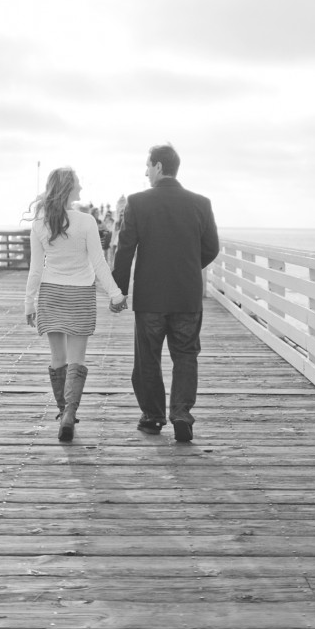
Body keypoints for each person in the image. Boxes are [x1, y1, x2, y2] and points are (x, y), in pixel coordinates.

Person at [112, 143, 219, 442]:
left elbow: (125, 250)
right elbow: (212, 247)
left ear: (159, 167)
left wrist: (118, 291)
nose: (145, 172)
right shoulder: (201, 203)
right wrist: (186, 268)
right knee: (186, 355)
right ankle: (182, 414)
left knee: (148, 358)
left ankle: (153, 416)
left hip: (151, 297)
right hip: (186, 295)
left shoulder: (137, 202)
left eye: (147, 165)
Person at [24, 167, 128, 442]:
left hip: (50, 294)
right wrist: (115, 294)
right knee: (76, 360)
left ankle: (63, 414)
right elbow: (99, 262)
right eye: (78, 184)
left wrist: (28, 303)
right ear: (68, 188)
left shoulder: (40, 223)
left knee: (58, 360)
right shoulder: (86, 221)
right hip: (80, 294)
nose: (81, 189)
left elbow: (35, 268)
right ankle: (69, 412)